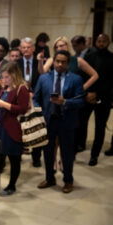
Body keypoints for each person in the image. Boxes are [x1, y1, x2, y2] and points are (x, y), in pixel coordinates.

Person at [34, 50, 84, 194]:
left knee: (67, 153)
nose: (60, 64)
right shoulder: (44, 78)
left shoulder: (75, 79)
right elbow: (36, 97)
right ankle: (50, 178)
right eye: (58, 61)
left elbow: (81, 101)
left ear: (68, 63)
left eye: (63, 62)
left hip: (66, 121)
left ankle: (68, 180)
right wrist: (39, 112)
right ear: (53, 61)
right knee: (48, 151)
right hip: (48, 120)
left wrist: (65, 101)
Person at [0, 62, 30, 195]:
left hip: (12, 129)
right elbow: (1, 106)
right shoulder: (4, 88)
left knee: (14, 158)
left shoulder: (21, 88)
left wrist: (3, 104)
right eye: (3, 77)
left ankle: (12, 185)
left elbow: (22, 109)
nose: (4, 80)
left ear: (14, 75)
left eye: (7, 77)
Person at [81, 34, 113, 165]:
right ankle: (79, 145)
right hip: (87, 96)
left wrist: (97, 94)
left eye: (104, 41)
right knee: (81, 123)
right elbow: (83, 76)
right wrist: (87, 93)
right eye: (99, 41)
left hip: (104, 98)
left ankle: (94, 155)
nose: (101, 43)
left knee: (99, 128)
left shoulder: (112, 58)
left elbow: (111, 81)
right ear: (95, 42)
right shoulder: (89, 56)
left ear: (108, 42)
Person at [17, 37, 42, 167]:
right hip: (21, 98)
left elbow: (42, 78)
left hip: (37, 99)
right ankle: (19, 152)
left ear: (33, 48)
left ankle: (36, 157)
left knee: (36, 127)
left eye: (28, 47)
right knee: (21, 127)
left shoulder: (38, 62)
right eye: (23, 47)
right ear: (20, 49)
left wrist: (34, 93)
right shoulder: (17, 62)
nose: (26, 49)